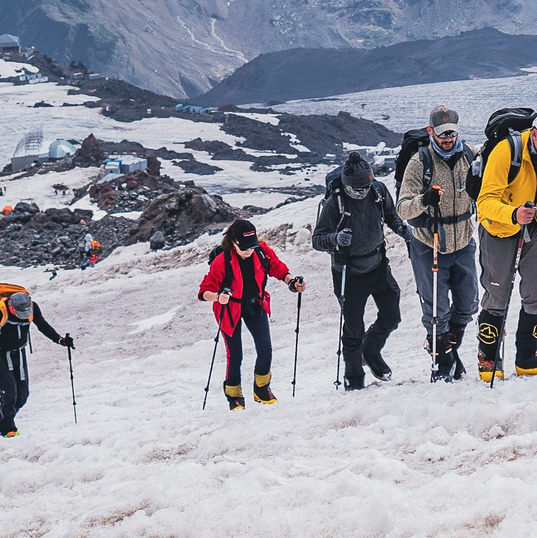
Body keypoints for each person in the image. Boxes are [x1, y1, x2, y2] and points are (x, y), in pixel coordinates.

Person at [475, 107, 537, 382]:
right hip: (500, 231)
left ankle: (527, 358)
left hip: (536, 227)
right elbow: (485, 202)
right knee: (497, 295)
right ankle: (488, 359)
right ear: (535, 135)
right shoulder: (506, 152)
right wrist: (513, 214)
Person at [312, 149, 413, 389]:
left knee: (392, 316)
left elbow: (390, 215)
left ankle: (371, 350)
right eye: (356, 190)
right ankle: (354, 378)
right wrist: (336, 238)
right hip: (349, 271)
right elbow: (318, 239)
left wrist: (401, 229)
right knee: (353, 327)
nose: (360, 193)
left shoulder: (377, 191)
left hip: (378, 264)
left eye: (364, 188)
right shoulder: (334, 202)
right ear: (347, 185)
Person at [397, 104, 480, 380]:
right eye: (442, 133)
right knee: (436, 311)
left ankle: (449, 349)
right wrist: (424, 200)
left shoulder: (469, 155)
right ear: (431, 131)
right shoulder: (420, 163)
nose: (448, 139)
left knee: (468, 305)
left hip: (463, 240)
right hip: (428, 244)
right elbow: (403, 208)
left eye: (452, 133)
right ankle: (443, 363)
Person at [199, 219, 304, 408]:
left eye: (252, 246)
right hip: (229, 308)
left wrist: (291, 282)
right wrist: (217, 297)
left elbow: (277, 268)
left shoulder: (261, 251)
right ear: (233, 242)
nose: (249, 250)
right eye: (245, 247)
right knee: (235, 355)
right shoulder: (221, 262)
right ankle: (234, 396)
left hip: (256, 304)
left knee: (265, 349)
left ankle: (261, 388)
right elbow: (203, 291)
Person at [0, 285, 72, 437]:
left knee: (22, 394)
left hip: (19, 353)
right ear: (11, 307)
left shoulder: (32, 307)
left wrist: (60, 340)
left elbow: (42, 325)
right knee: (9, 393)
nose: (24, 315)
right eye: (19, 312)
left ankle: (1, 418)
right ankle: (8, 429)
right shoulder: (0, 311)